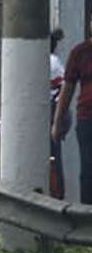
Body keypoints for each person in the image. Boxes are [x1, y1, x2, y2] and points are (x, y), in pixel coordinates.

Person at [53, 14, 92, 205]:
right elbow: (67, 91)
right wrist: (58, 122)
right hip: (88, 119)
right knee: (88, 171)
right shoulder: (80, 52)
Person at [51, 28, 68, 197]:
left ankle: (56, 193)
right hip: (56, 111)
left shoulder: (49, 62)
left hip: (51, 112)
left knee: (53, 156)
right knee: (55, 156)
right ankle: (58, 193)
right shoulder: (55, 61)